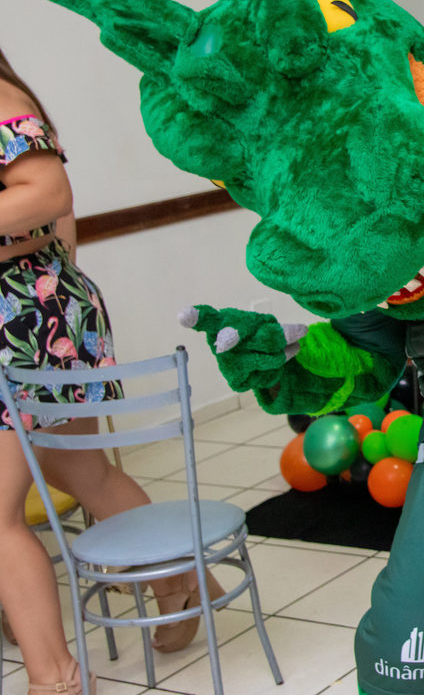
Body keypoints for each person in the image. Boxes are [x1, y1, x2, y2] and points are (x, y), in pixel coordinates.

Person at [0, 48, 216, 694]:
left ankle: (56, 678)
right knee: (80, 470)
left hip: (21, 322)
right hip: (41, 310)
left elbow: (50, 195)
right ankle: (180, 583)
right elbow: (55, 222)